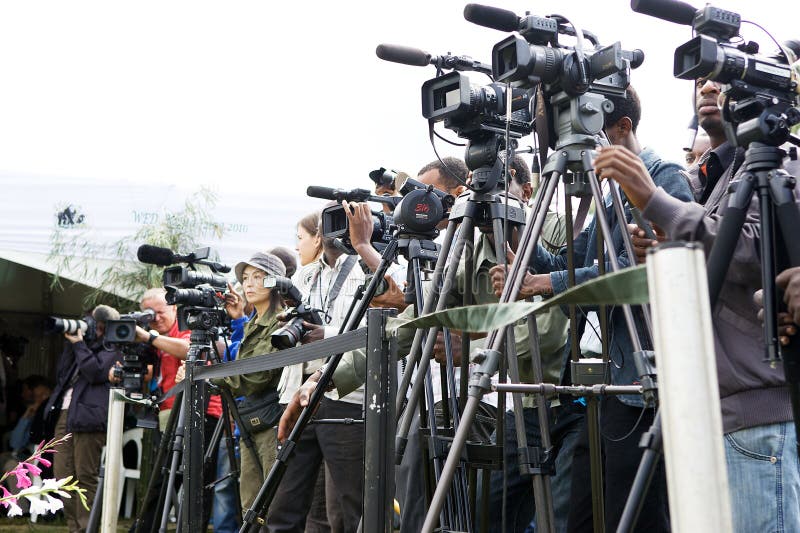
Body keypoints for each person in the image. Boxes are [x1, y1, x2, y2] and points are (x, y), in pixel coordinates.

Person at [491, 86, 693, 532]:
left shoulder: (665, 177)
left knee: (634, 514)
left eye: (594, 132)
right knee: (584, 515)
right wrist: (523, 253)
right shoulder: (609, 194)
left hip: (641, 379)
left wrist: (541, 283)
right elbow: (576, 259)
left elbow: (630, 272)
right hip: (599, 384)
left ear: (623, 126)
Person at [615, 75, 800, 532]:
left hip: (757, 415)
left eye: (724, 79)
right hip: (721, 411)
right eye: (701, 81)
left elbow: (749, 251)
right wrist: (668, 242)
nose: (708, 89)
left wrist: (656, 202)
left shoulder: (783, 164)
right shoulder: (728, 173)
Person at [268, 223, 370, 533]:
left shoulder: (369, 267)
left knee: (351, 504)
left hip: (347, 398)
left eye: (342, 218)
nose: (334, 227)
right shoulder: (305, 274)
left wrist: (326, 332)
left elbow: (381, 329)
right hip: (298, 394)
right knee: (285, 500)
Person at [214, 251, 288, 515]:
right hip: (251, 419)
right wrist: (239, 320)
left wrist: (212, 377)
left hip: (273, 419)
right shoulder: (253, 322)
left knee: (273, 502)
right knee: (250, 504)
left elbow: (257, 377)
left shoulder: (282, 320)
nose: (249, 284)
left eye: (259, 277)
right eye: (245, 278)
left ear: (276, 282)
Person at [45, 305, 122, 533]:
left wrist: (79, 345)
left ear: (104, 327)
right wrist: (73, 345)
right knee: (62, 476)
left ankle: (87, 528)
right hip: (67, 413)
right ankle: (73, 528)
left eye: (95, 324)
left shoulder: (114, 347)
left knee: (85, 476)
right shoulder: (85, 345)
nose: (91, 327)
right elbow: (62, 374)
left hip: (90, 416)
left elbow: (95, 372)